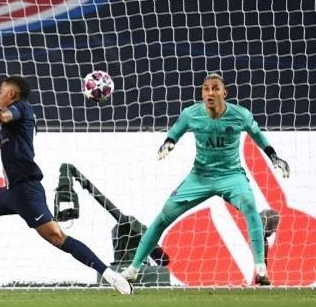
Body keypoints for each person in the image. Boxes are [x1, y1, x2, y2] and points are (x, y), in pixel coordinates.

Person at [0, 75, 133, 294]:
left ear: (11, 95)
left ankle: (111, 276)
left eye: (0, 92)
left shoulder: (21, 108)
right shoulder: (11, 127)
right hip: (11, 192)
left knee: (58, 238)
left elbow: (4, 116)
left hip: (27, 191)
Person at [120, 73, 291, 286]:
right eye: (206, 89)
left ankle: (260, 268)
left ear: (224, 93)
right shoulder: (191, 114)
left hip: (231, 176)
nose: (210, 93)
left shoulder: (240, 115)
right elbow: (174, 133)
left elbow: (258, 136)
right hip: (199, 177)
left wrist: (274, 157)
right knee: (163, 216)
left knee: (249, 205)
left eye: (215, 88)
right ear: (202, 93)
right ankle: (133, 268)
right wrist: (167, 144)